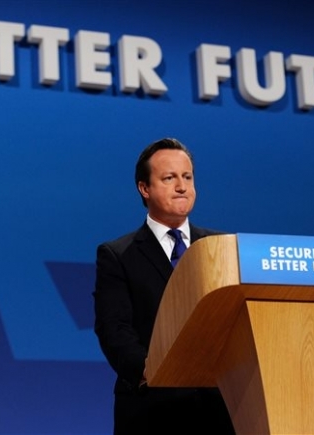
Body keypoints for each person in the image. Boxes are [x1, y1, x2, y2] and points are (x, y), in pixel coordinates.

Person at [93, 138, 235, 435]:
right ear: (144, 188)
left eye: (187, 177)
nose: (182, 186)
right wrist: (152, 371)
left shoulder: (222, 247)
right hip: (151, 409)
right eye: (169, 178)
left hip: (218, 410)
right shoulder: (118, 255)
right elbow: (114, 329)